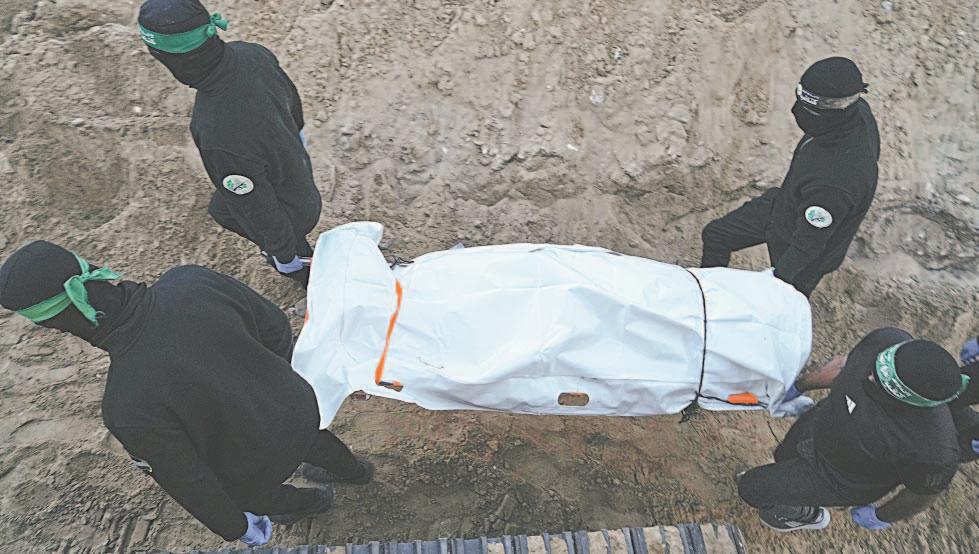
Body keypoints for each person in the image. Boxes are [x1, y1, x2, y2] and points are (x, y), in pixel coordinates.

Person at [0, 241, 373, 546]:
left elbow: (190, 481)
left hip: (254, 464)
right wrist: (278, 379)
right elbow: (274, 326)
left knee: (246, 492)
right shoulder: (191, 281)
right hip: (297, 406)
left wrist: (235, 526)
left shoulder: (125, 404)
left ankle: (313, 502)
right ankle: (354, 471)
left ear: (58, 326)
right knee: (312, 437)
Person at [138, 0, 320, 287]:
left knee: (235, 214)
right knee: (221, 207)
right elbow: (291, 100)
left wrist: (284, 255)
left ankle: (310, 275)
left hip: (292, 212)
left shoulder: (215, 129)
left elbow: (258, 206)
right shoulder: (252, 53)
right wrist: (297, 138)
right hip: (299, 173)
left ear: (169, 60)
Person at [738, 328, 969, 532]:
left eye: (879, 381)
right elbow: (843, 366)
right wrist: (799, 386)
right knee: (783, 456)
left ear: (905, 401)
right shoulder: (887, 340)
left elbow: (923, 494)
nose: (869, 375)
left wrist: (881, 516)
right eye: (876, 366)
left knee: (752, 488)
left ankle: (804, 514)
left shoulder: (934, 451)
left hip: (838, 478)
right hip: (821, 425)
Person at [700, 57, 880, 296]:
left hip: (805, 249)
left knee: (780, 302)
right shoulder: (857, 112)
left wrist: (777, 282)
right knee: (717, 235)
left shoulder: (835, 184)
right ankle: (708, 298)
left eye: (810, 108)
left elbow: (807, 246)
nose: (799, 111)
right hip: (786, 204)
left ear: (833, 111)